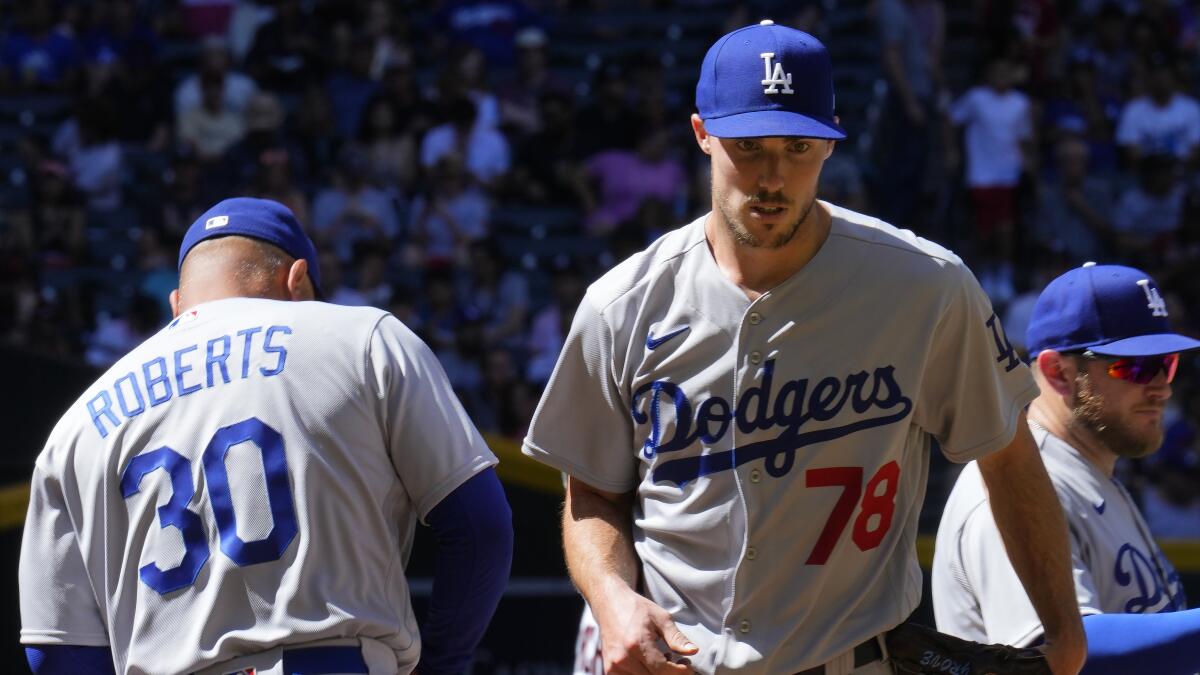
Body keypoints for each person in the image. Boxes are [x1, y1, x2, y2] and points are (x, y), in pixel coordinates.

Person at [524, 20, 1086, 675]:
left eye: (799, 146)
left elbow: (1009, 454)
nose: (773, 175)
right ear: (702, 133)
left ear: (830, 142)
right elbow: (591, 492)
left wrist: (1064, 636)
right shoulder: (622, 304)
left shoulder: (926, 287)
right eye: (749, 144)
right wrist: (612, 593)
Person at [18, 198, 513, 675]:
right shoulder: (364, 338)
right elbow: (479, 524)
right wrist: (439, 665)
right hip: (331, 661)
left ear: (177, 302)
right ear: (297, 281)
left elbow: (56, 648)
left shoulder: (77, 426)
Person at [932, 262, 1200, 675]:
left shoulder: (1089, 470)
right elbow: (1061, 656)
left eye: (1167, 363)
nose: (1162, 386)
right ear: (1059, 372)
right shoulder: (1012, 485)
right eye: (1135, 366)